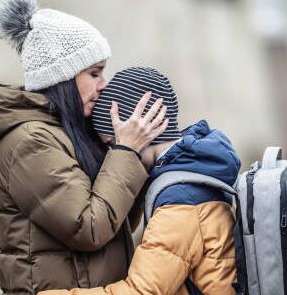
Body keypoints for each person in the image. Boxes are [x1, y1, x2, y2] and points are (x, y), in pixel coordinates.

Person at [0, 0, 168, 295]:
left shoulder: (64, 133)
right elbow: (89, 228)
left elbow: (116, 222)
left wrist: (139, 159)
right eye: (94, 73)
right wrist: (124, 152)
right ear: (63, 76)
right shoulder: (29, 142)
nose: (103, 85)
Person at [39, 67, 240, 295]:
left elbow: (141, 292)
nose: (110, 155)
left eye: (110, 144)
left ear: (139, 129)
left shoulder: (182, 199)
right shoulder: (194, 171)